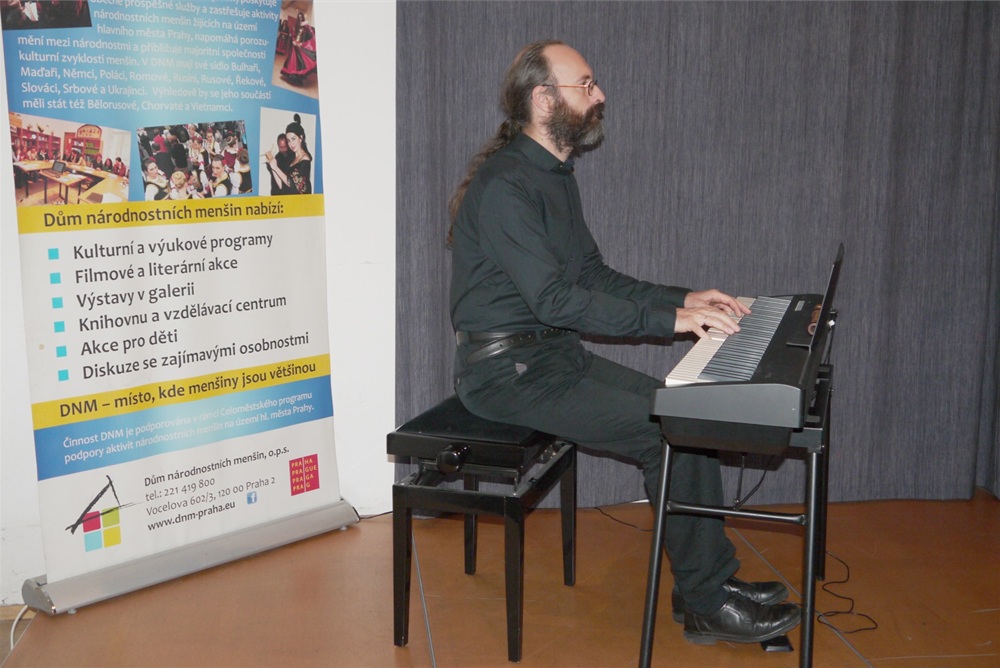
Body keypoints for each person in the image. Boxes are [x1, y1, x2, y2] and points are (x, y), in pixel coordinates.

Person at [448, 40, 802, 647]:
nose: (600, 95)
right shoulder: (507, 184)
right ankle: (708, 601)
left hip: (549, 357)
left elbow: (593, 276)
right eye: (586, 85)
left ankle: (705, 586)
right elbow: (556, 300)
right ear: (543, 99)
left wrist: (685, 299)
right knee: (668, 431)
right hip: (506, 373)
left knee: (685, 416)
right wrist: (671, 320)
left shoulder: (553, 176)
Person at [265, 115, 312, 195]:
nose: (291, 144)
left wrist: (276, 168)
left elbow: (294, 185)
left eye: (293, 139)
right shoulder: (293, 158)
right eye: (289, 140)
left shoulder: (305, 159)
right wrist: (272, 166)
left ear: (301, 138)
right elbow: (281, 186)